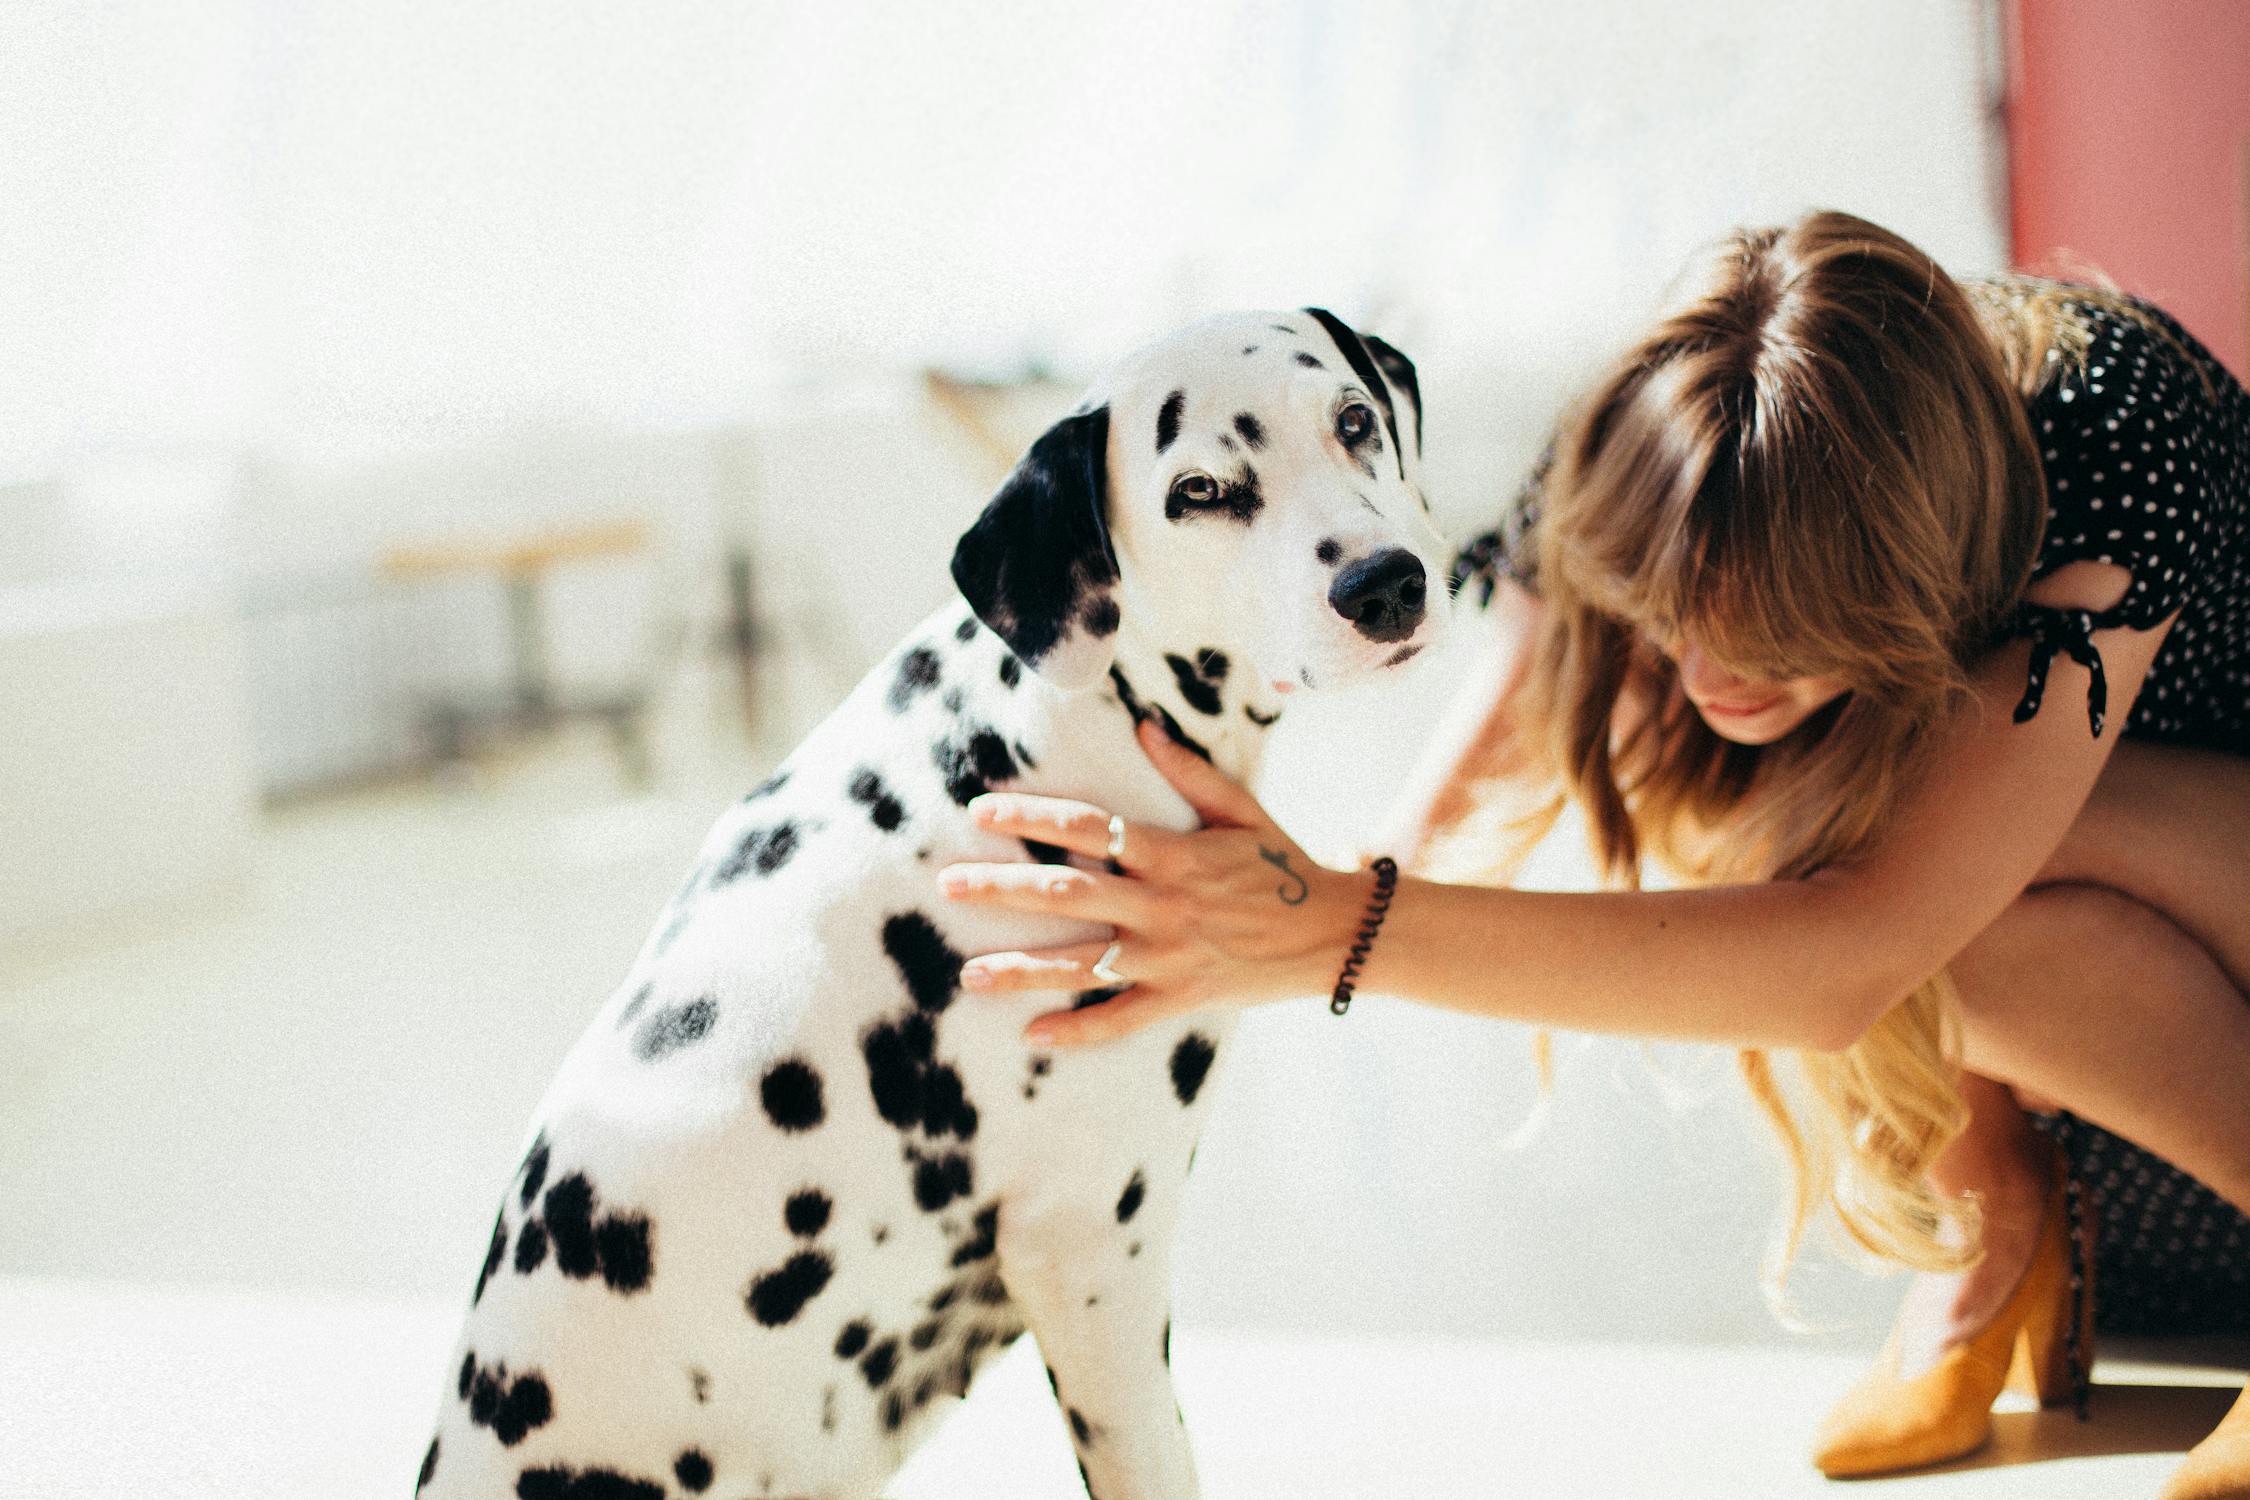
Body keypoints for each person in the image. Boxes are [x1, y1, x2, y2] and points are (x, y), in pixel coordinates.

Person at [935, 211, 2250, 1495]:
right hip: (2134, 1048)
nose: (1704, 670)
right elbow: (1482, 760)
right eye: (1670, 609)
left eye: (1779, 633)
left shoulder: (2107, 430)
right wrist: (1298, 896)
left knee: (1925, 843)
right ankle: (1993, 1221)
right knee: (1807, 826)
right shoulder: (1669, 426)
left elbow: (1856, 953)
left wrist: (1330, 931)